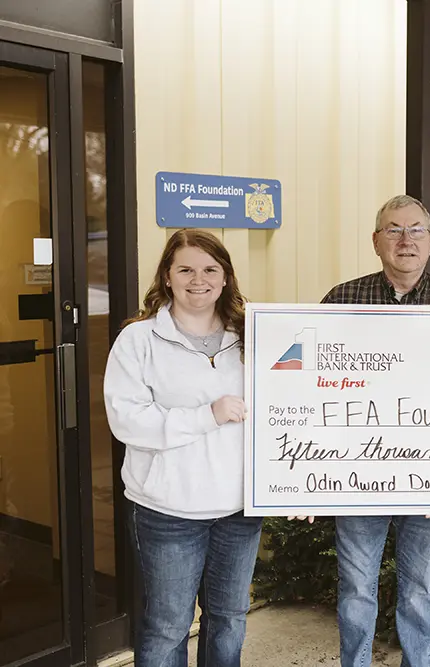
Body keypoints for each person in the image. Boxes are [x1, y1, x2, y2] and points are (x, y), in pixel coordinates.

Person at [296, 194, 430, 667]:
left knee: (418, 586)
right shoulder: (341, 300)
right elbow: (312, 390)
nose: (405, 240)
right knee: (356, 586)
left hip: (429, 477)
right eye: (393, 230)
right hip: (358, 476)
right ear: (376, 241)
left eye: (416, 230)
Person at [104, 229, 260, 667]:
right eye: (186, 269)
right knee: (168, 626)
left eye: (211, 269)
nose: (199, 279)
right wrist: (206, 415)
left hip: (238, 509)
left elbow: (285, 408)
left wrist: (295, 483)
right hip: (168, 511)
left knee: (229, 619)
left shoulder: (252, 336)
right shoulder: (138, 340)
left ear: (226, 277)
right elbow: (127, 421)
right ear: (167, 277)